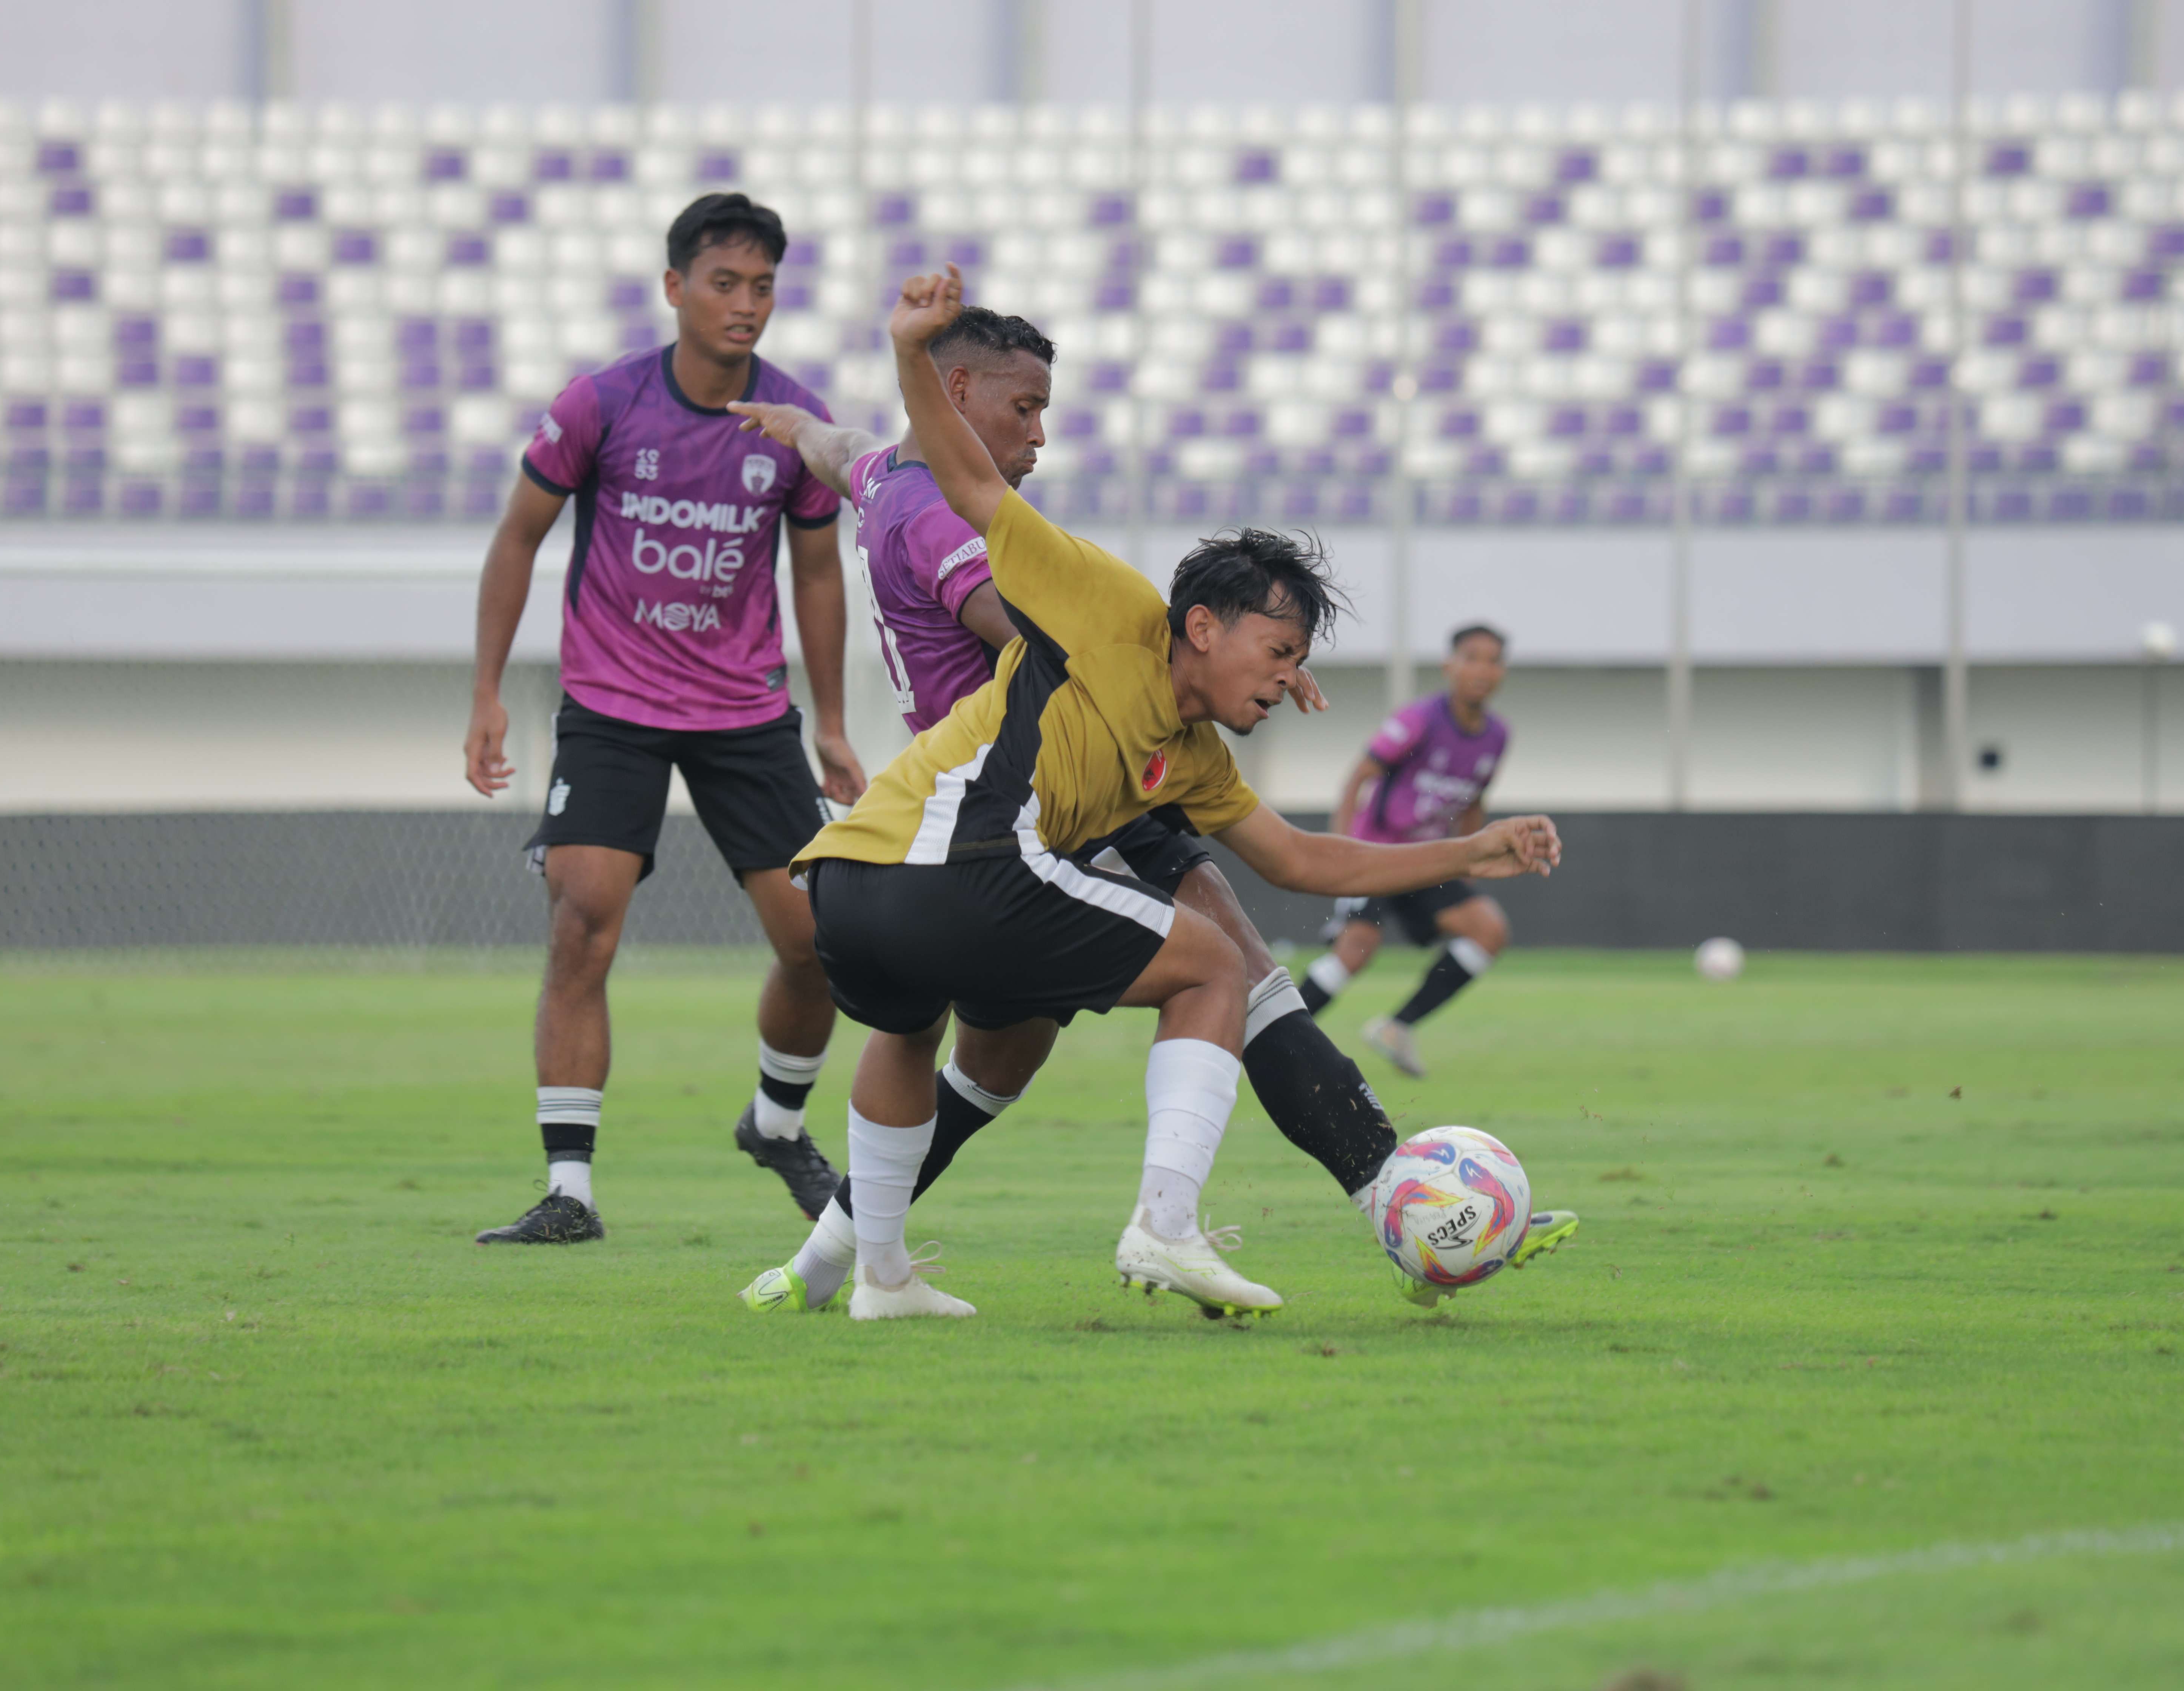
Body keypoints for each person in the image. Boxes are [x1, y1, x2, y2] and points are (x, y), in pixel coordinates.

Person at [728, 306, 1578, 1313]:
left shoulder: (883, 481)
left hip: (908, 837)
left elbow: (841, 450)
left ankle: (841, 1266)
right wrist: (1247, 654)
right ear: (958, 396)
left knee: (988, 1054)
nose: (1041, 432)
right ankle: (1362, 1202)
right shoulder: (1060, 590)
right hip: (1016, 810)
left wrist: (1273, 670)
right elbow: (1016, 569)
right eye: (1025, 407)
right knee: (1226, 965)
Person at [463, 193, 866, 1244]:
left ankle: (776, 1124)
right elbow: (517, 538)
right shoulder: (601, 405)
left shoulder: (793, 421)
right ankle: (570, 1192)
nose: (746, 304)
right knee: (581, 919)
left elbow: (818, 573)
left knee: (822, 944)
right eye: (725, 283)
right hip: (613, 706)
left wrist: (830, 723)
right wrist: (488, 694)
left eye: (763, 286)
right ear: (675, 287)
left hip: (744, 713)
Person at [1298, 624, 1515, 1080]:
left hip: (1428, 861)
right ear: (1450, 665)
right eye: (1472, 657)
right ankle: (1270, 1035)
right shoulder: (1420, 719)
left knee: (1489, 930)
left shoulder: (1497, 736)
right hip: (1375, 855)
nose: (1483, 669)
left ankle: (1397, 1027)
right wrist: (1340, 852)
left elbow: (1474, 801)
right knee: (1355, 952)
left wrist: (1470, 859)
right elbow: (1359, 778)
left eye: (1493, 660)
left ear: (1503, 671)